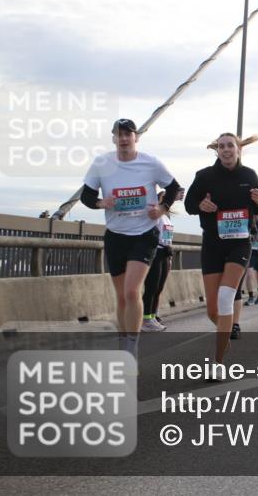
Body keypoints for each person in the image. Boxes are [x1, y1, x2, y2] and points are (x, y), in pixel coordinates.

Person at [81, 118, 181, 359]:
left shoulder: (151, 163)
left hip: (144, 234)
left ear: (136, 137)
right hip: (116, 235)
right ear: (114, 138)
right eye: (119, 134)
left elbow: (175, 187)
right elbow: (86, 195)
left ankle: (131, 347)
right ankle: (123, 341)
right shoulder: (102, 163)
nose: (124, 138)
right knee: (121, 296)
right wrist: (100, 203)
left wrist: (162, 208)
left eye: (129, 134)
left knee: (131, 292)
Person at [184, 132, 258, 367]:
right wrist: (201, 205)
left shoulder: (248, 175)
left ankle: (218, 362)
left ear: (239, 149)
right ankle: (224, 333)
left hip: (240, 243)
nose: (226, 149)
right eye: (221, 146)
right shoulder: (204, 176)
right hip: (212, 243)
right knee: (212, 309)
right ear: (217, 151)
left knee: (225, 297)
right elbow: (190, 204)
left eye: (230, 145)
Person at [141, 190, 176, 332]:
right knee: (151, 287)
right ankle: (145, 318)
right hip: (155, 252)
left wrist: (170, 253)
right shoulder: (154, 213)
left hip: (165, 253)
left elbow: (167, 236)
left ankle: (152, 316)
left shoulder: (166, 217)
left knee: (159, 288)